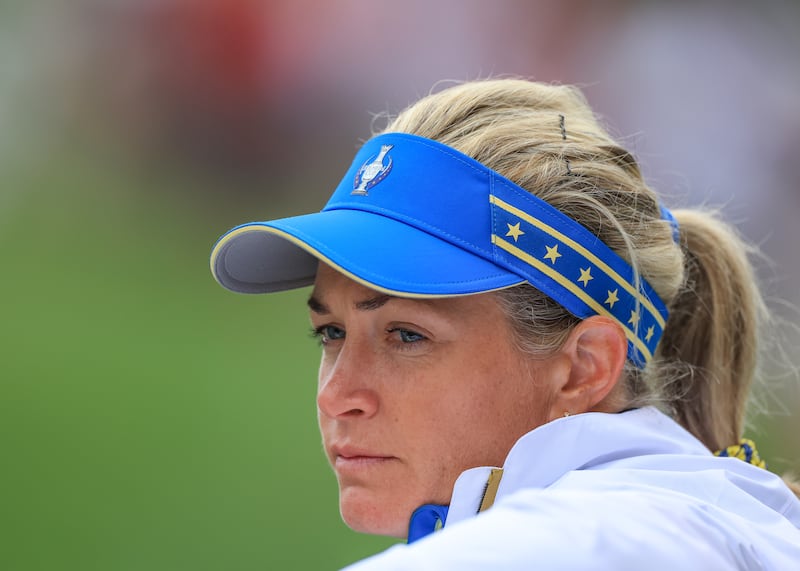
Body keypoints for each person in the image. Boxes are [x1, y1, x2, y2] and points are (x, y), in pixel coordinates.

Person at [209, 79, 800, 569]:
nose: (339, 396)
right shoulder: (676, 521)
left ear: (584, 366)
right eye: (331, 333)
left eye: (406, 335)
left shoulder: (597, 539)